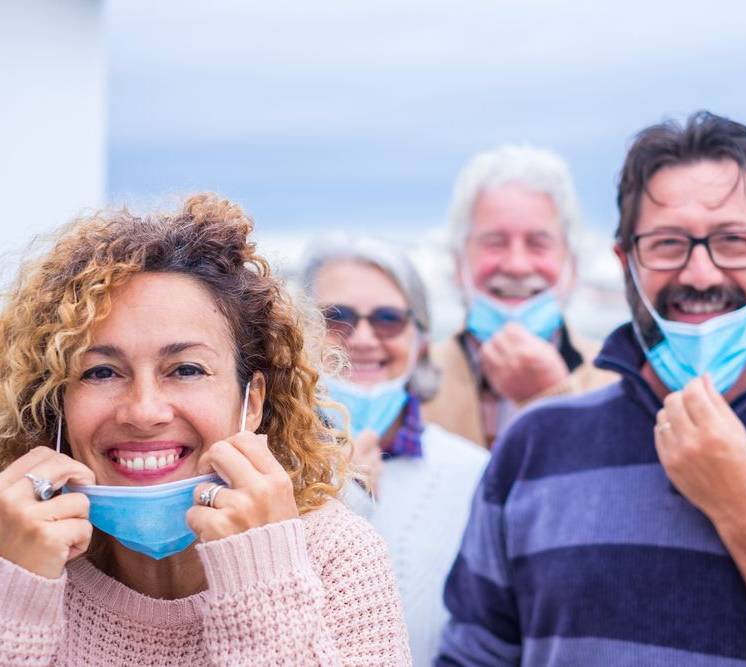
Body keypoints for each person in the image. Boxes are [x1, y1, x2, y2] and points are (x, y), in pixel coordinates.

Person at [438, 112, 746, 666]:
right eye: (666, 244)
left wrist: (745, 510)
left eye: (734, 241)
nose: (700, 273)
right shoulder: (534, 444)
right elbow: (473, 655)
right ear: (626, 262)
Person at [0, 194, 411, 666]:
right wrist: (17, 592)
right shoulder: (15, 550)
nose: (144, 410)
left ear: (251, 402)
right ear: (56, 403)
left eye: (187, 369)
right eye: (101, 373)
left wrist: (262, 581)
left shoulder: (337, 558)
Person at [299, 235, 489, 666]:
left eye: (388, 319)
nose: (363, 338)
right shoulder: (262, 471)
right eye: (337, 318)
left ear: (420, 340)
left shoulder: (477, 474)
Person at [422, 144, 616, 448]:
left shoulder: (619, 378)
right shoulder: (413, 381)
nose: (516, 265)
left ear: (573, 265)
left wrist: (549, 396)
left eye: (538, 243)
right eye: (494, 242)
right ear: (458, 263)